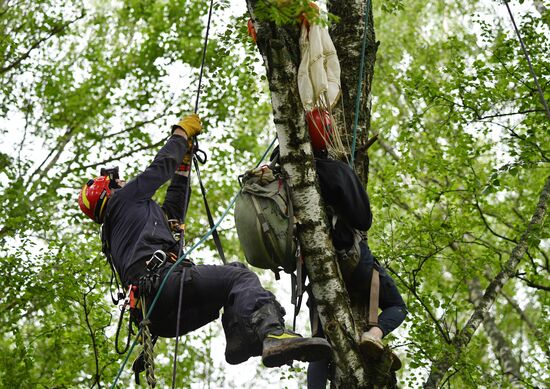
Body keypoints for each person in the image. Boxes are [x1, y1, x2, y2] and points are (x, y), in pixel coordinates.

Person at [78, 114, 331, 370]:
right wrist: (180, 133)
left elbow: (173, 213)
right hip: (164, 287)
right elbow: (160, 167)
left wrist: (184, 165)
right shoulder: (122, 201)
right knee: (240, 279)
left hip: (160, 315)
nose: (124, 181)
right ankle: (273, 334)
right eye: (118, 182)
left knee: (237, 274)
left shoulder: (123, 228)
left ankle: (240, 340)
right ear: (107, 193)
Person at [306, 156, 408, 388]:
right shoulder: (333, 168)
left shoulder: (283, 174)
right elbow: (363, 220)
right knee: (398, 306)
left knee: (320, 345)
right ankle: (374, 333)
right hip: (352, 258)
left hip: (313, 274)